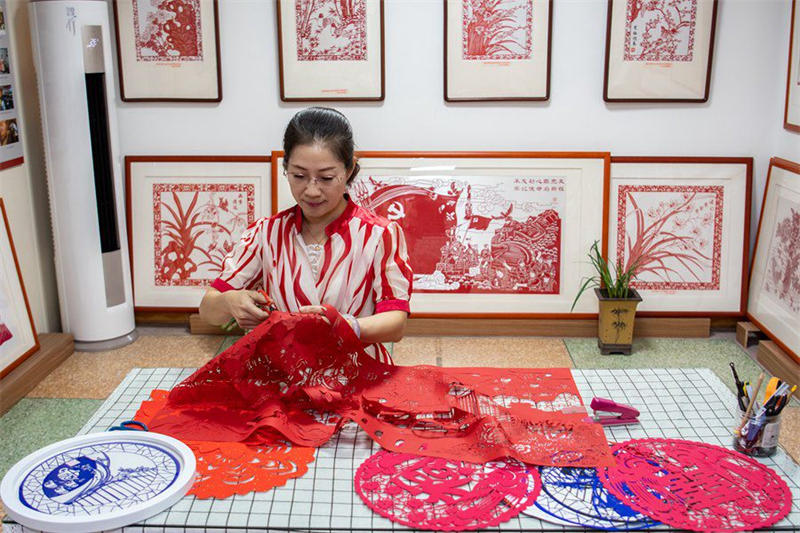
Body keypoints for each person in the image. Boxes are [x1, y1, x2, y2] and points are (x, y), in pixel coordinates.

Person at [199, 107, 412, 363]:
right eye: (299, 175)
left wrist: (350, 326)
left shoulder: (379, 234)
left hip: (357, 368)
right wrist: (230, 301)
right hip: (283, 371)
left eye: (326, 178)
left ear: (349, 169)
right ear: (285, 167)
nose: (311, 191)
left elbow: (396, 323)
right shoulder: (266, 233)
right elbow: (208, 310)